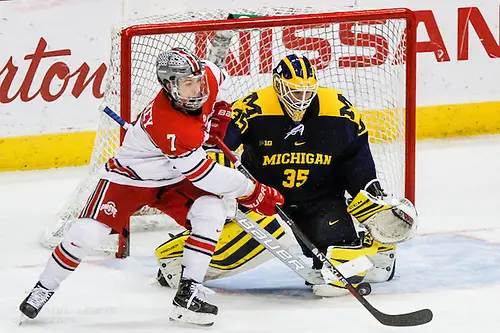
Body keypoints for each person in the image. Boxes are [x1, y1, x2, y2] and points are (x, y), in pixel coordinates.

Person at [19, 48, 284, 326]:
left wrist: (220, 109)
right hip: (130, 179)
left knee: (212, 210)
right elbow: (204, 175)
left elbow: (219, 78)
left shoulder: (207, 79)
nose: (197, 91)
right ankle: (43, 288)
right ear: (170, 87)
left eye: (199, 81)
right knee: (86, 234)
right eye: (188, 85)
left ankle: (188, 295)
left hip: (172, 178)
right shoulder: (170, 123)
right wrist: (251, 190)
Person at [155, 54, 417, 297]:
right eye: (294, 92)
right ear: (278, 87)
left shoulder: (338, 111)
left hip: (320, 199)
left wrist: (369, 191)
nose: (301, 99)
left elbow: (356, 155)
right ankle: (180, 256)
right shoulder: (254, 107)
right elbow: (218, 145)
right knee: (238, 248)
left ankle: (379, 248)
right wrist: (224, 186)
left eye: (307, 92)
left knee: (347, 266)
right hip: (266, 200)